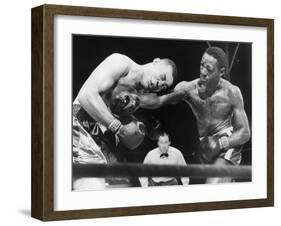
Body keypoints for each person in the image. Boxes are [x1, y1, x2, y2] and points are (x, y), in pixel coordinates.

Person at [73, 53, 181, 190]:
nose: (159, 84)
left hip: (102, 142)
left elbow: (161, 101)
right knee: (93, 192)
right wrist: (117, 128)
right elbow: (86, 94)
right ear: (156, 61)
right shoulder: (121, 63)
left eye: (163, 86)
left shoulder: (138, 96)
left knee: (122, 188)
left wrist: (146, 131)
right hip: (80, 126)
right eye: (162, 77)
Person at [144, 46, 251, 184]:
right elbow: (158, 101)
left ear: (222, 72)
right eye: (201, 65)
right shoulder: (189, 89)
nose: (203, 72)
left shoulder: (231, 92)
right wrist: (136, 99)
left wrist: (220, 143)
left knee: (211, 190)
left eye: (209, 68)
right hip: (204, 148)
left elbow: (245, 133)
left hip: (228, 146)